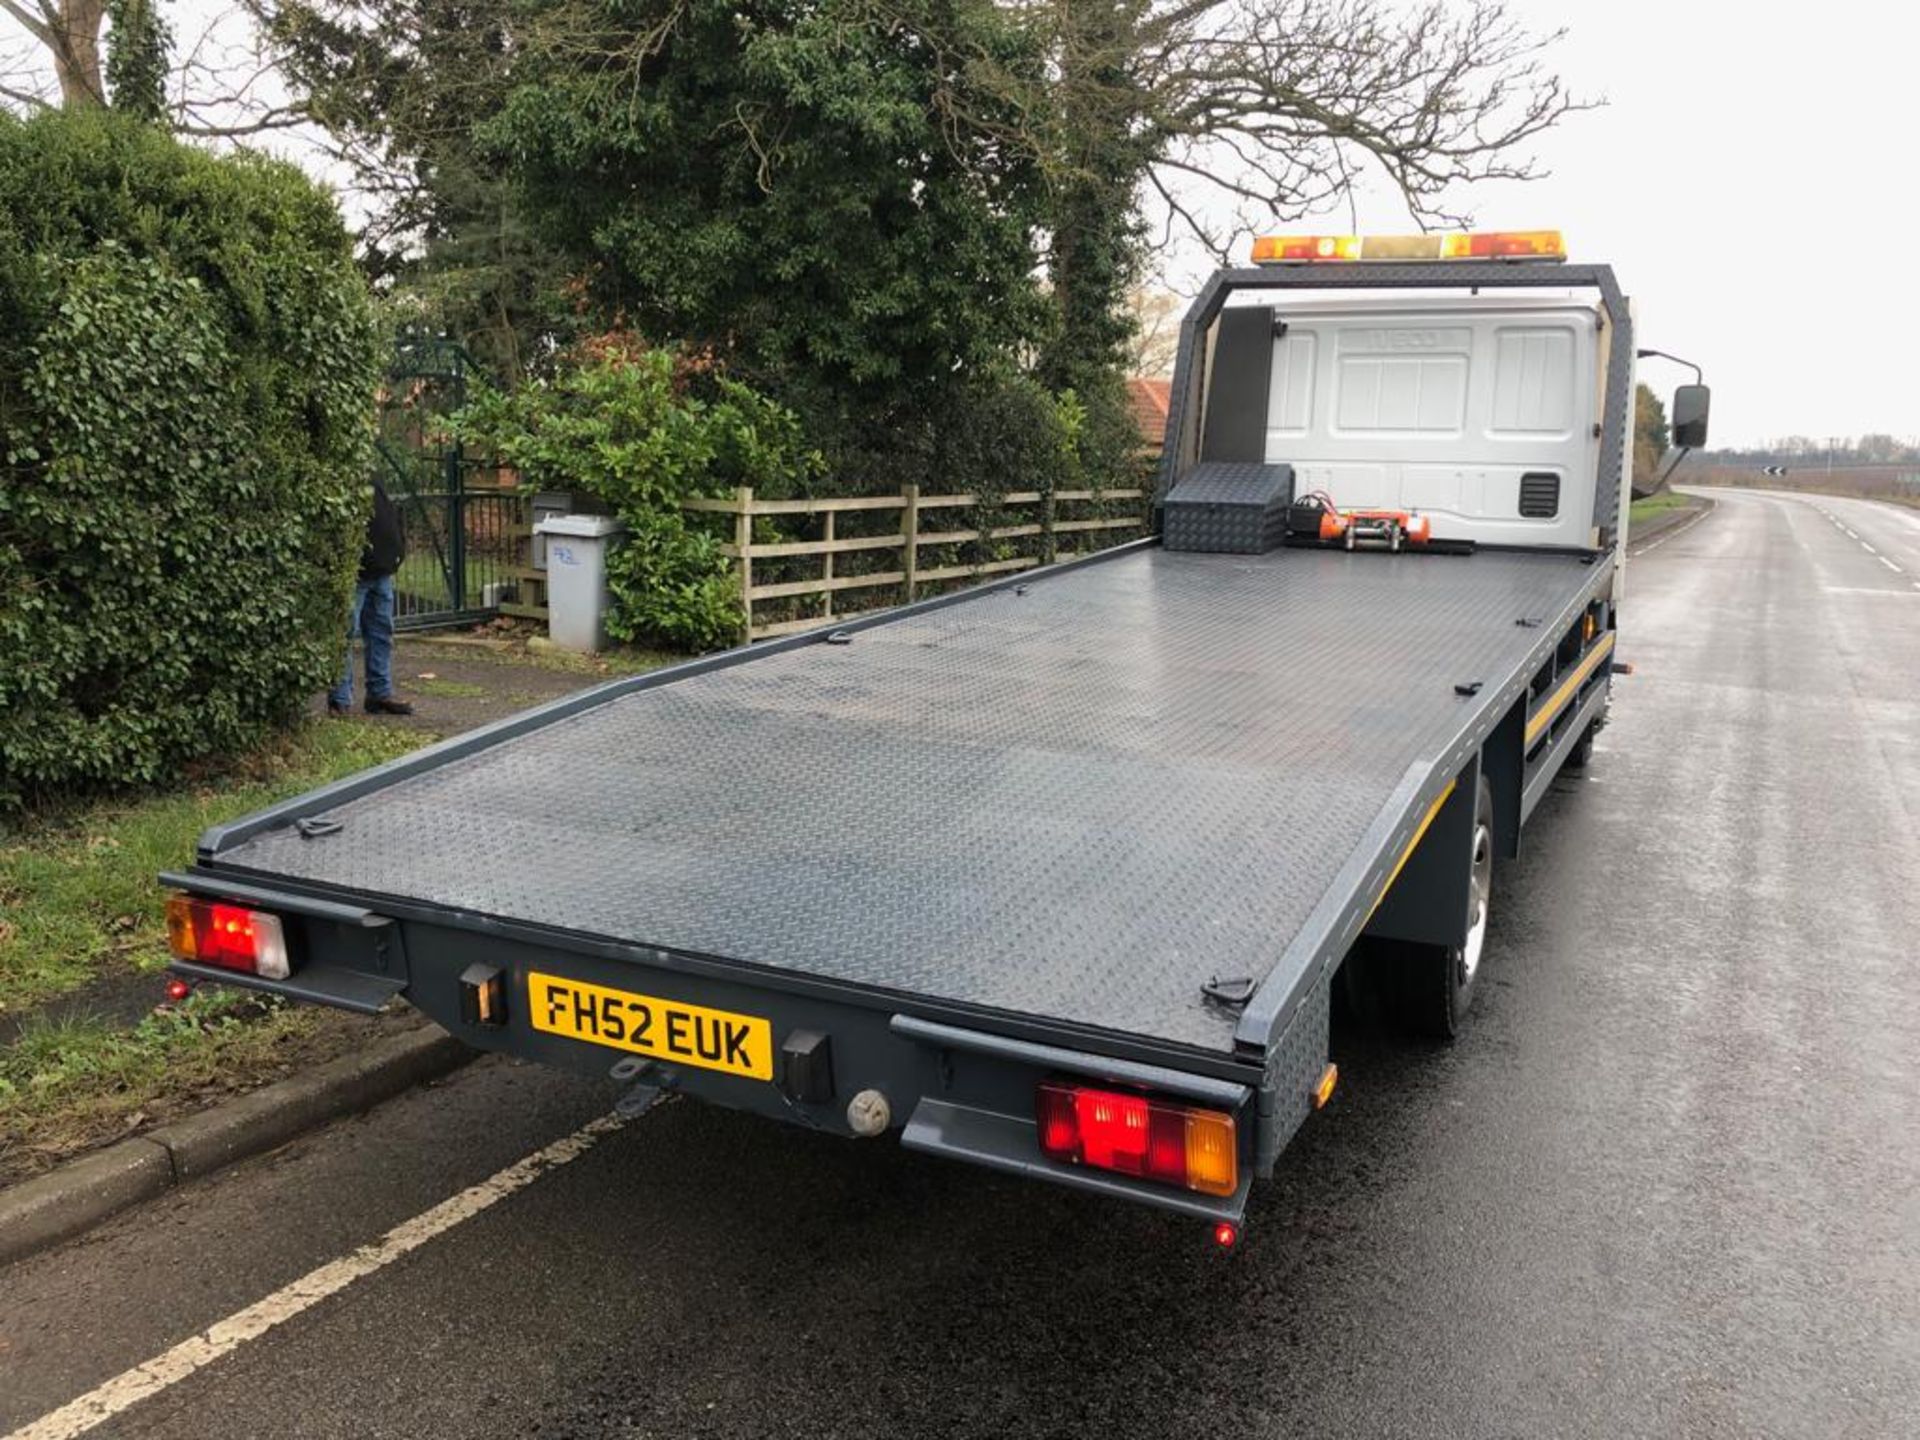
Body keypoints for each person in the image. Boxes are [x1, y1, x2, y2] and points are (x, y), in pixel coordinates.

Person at [328, 478, 414, 716]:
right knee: (345, 634)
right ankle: (340, 698)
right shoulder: (344, 474)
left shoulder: (373, 478)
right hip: (356, 571)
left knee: (381, 633)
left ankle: (380, 692)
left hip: (381, 570)